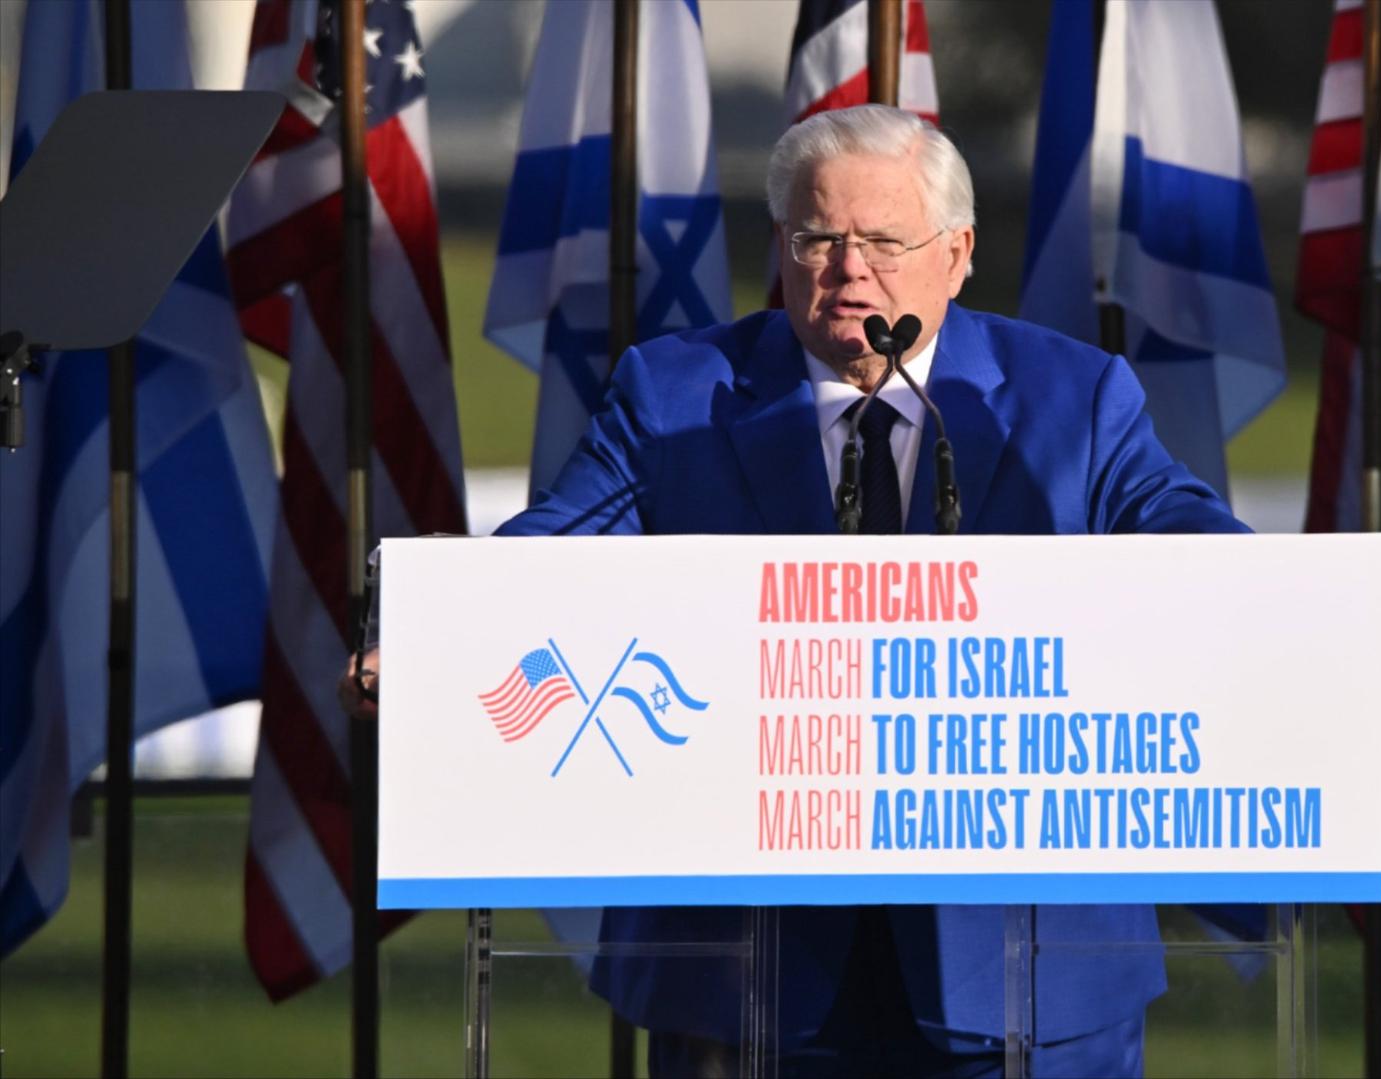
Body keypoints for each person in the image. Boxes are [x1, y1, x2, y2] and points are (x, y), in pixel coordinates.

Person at [350, 104, 1249, 1077]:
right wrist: (436, 641)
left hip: (1022, 967)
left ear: (956, 254)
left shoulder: (1075, 397)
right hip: (746, 963)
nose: (849, 269)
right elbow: (554, 548)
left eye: (884, 242)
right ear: (781, 247)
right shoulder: (675, 395)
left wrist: (1297, 610)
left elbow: (1185, 535)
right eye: (818, 239)